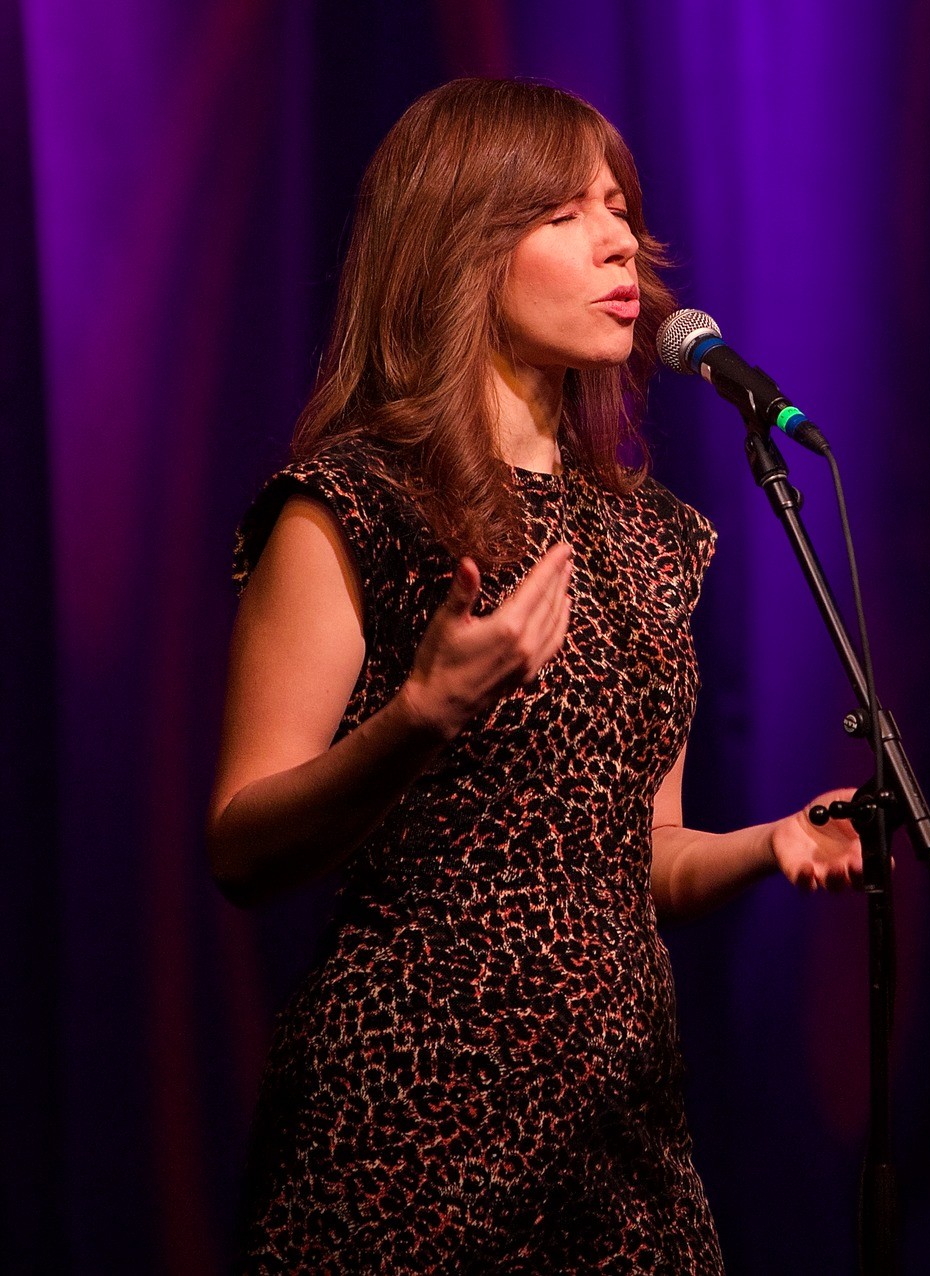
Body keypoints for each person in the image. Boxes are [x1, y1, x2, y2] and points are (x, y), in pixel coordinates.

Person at [207, 79, 861, 1273]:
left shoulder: (656, 539)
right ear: (459, 248)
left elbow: (642, 855)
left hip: (622, 1133)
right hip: (408, 1123)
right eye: (564, 214)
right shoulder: (355, 504)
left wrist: (765, 843)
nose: (620, 244)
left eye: (618, 207)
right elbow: (240, 842)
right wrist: (419, 718)